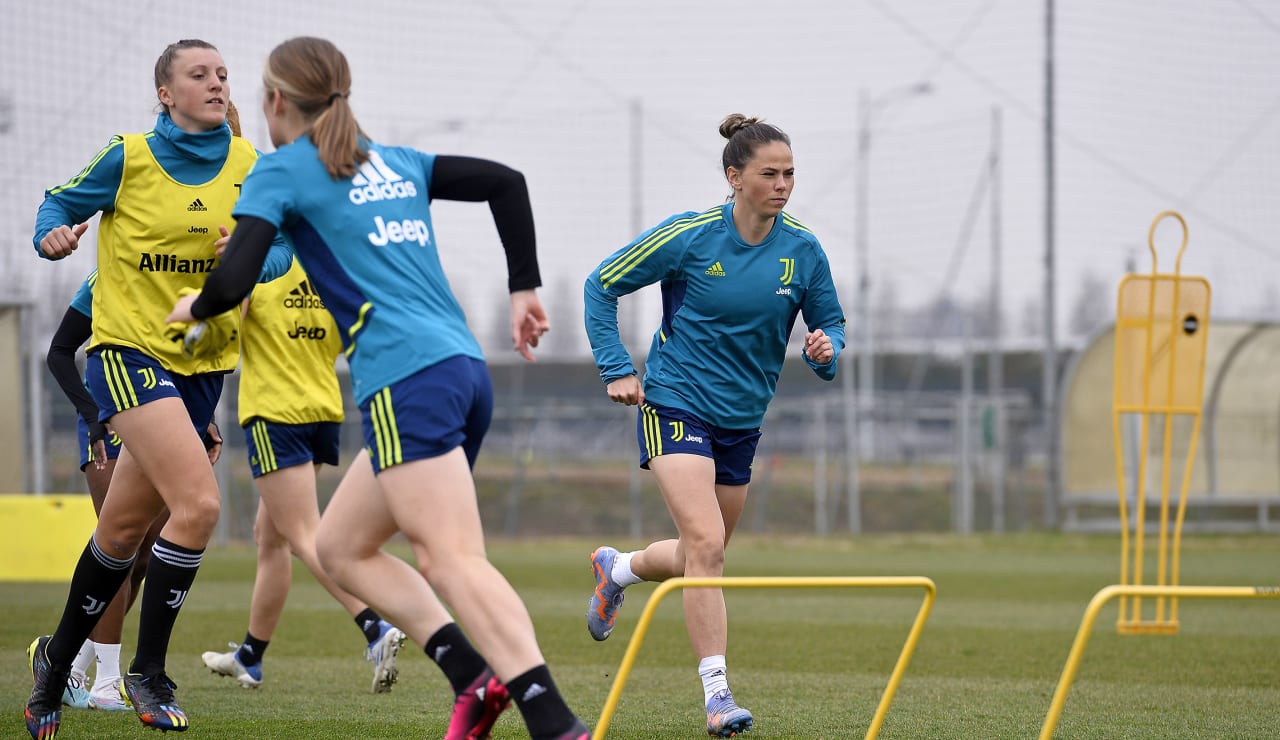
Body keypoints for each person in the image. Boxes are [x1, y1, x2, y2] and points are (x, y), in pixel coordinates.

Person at [168, 36, 589, 740]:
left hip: (405, 380)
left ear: (274, 101)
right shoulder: (395, 160)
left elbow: (236, 272)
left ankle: (555, 721)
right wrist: (524, 287)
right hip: (461, 371)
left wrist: (199, 306)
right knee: (340, 548)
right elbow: (505, 182)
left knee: (450, 559)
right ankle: (471, 678)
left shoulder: (283, 172)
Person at [25, 39, 292, 739]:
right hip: (128, 353)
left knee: (120, 532)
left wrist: (252, 253)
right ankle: (147, 672)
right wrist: (51, 235)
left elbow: (289, 249)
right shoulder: (129, 155)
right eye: (198, 74)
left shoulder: (250, 166)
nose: (216, 83)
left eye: (223, 74)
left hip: (204, 369)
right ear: (166, 94)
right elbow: (57, 204)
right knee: (199, 505)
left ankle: (53, 669)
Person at [582, 114, 846, 737]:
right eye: (769, 174)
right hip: (675, 400)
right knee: (706, 548)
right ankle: (718, 697)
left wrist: (825, 347)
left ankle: (616, 569)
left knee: (707, 552)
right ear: (735, 178)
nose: (783, 185)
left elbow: (832, 323)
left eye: (790, 174)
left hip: (743, 419)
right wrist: (616, 366)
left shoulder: (802, 249)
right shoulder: (691, 236)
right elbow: (600, 285)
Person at [200, 256, 407, 693]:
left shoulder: (258, 260)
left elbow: (222, 339)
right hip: (322, 412)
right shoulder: (332, 260)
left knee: (304, 535)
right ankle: (250, 658)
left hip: (275, 413)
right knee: (269, 536)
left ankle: (374, 628)